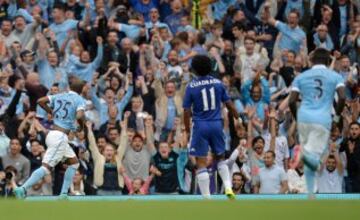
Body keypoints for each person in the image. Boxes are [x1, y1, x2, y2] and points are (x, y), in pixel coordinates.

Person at [14, 78, 87, 199]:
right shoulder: (79, 99)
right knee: (46, 168)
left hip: (54, 135)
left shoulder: (60, 95)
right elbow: (80, 115)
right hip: (59, 137)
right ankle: (22, 188)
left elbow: (40, 101)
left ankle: (63, 194)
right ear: (81, 90)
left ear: (70, 86)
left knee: (74, 163)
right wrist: (81, 126)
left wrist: (51, 111)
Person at [288, 48, 346, 197]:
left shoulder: (301, 76)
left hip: (305, 118)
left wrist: (297, 117)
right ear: (328, 61)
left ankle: (310, 188)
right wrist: (337, 117)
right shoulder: (335, 76)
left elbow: (292, 100)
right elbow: (343, 97)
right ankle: (311, 190)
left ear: (312, 61)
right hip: (323, 119)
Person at [183, 54, 241, 199]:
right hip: (216, 124)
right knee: (220, 158)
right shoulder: (218, 83)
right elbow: (229, 104)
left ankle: (207, 198)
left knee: (201, 163)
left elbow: (186, 111)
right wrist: (238, 118)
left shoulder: (190, 86)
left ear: (194, 69)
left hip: (200, 125)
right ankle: (228, 187)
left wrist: (188, 130)